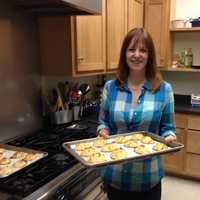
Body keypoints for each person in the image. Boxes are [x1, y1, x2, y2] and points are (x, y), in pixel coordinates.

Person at [97, 27, 176, 200]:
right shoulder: (111, 87)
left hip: (148, 178)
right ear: (125, 54)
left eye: (143, 50)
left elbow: (168, 128)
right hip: (115, 177)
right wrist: (102, 131)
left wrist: (169, 138)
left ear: (150, 55)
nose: (137, 55)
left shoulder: (164, 90)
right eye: (131, 49)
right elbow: (103, 122)